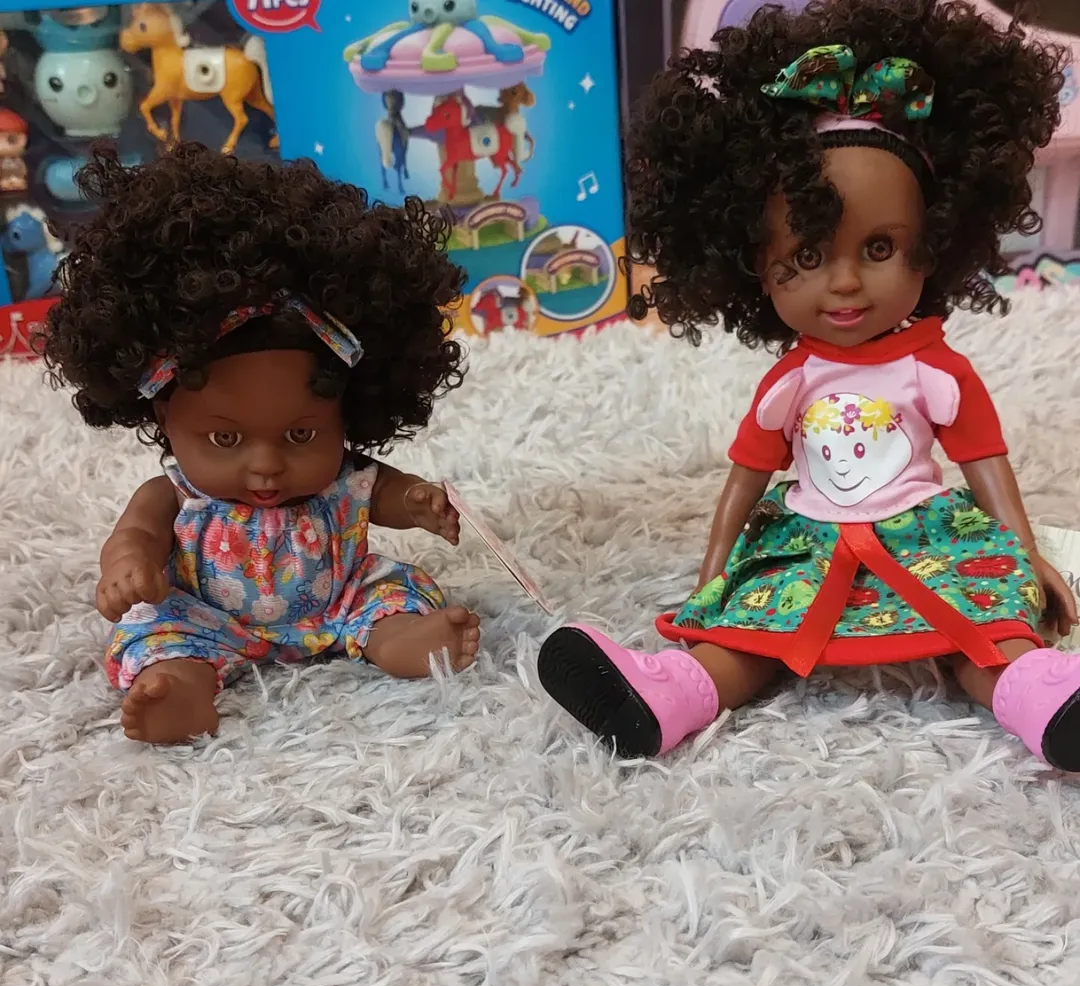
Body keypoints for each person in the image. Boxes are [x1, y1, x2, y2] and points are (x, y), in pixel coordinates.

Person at [537, 0, 1080, 769]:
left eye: (880, 247)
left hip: (925, 536)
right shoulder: (790, 381)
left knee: (982, 624)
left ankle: (1041, 693)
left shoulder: (937, 370)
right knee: (750, 633)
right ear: (756, 269)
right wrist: (712, 580)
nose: (845, 282)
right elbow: (746, 477)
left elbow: (987, 467)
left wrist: (1025, 561)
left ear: (934, 245)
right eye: (806, 257)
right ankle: (668, 694)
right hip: (809, 539)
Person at [44, 143, 479, 743]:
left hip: (338, 601)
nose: (267, 464)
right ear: (164, 413)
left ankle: (405, 641)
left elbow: (386, 493)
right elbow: (136, 534)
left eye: (301, 434)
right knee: (161, 633)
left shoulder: (342, 478)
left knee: (391, 594)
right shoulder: (175, 493)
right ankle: (181, 688)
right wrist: (128, 567)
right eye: (225, 437)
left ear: (347, 412)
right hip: (207, 617)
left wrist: (419, 502)